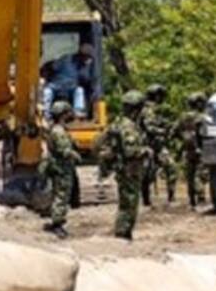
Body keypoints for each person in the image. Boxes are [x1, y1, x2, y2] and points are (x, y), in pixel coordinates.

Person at [98, 90, 150, 239]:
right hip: (130, 170)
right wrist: (146, 151)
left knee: (126, 202)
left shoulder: (117, 123)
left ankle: (123, 231)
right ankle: (123, 232)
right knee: (129, 204)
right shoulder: (129, 127)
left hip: (123, 169)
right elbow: (130, 152)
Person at [40, 101, 80, 238]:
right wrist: (76, 155)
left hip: (60, 167)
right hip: (62, 168)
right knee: (62, 196)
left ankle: (56, 221)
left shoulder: (57, 129)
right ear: (63, 114)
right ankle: (57, 224)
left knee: (59, 194)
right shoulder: (59, 131)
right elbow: (64, 151)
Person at [138, 84, 176, 206]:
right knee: (148, 173)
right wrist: (163, 131)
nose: (162, 98)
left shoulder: (155, 110)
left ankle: (171, 197)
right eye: (160, 96)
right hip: (149, 146)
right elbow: (149, 128)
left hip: (158, 146)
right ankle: (146, 199)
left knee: (170, 167)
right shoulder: (148, 110)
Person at [41, 41, 96, 118]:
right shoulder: (66, 59)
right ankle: (45, 115)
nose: (88, 60)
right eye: (87, 57)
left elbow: (86, 80)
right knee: (47, 92)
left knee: (79, 90)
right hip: (55, 86)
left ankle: (77, 113)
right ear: (81, 55)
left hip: (71, 89)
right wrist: (45, 77)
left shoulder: (84, 68)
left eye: (89, 58)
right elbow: (51, 67)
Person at [177, 92, 209, 210]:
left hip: (187, 149)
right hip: (200, 149)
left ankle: (191, 201)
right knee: (200, 175)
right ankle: (201, 199)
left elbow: (175, 131)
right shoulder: (202, 117)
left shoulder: (182, 117)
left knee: (190, 175)